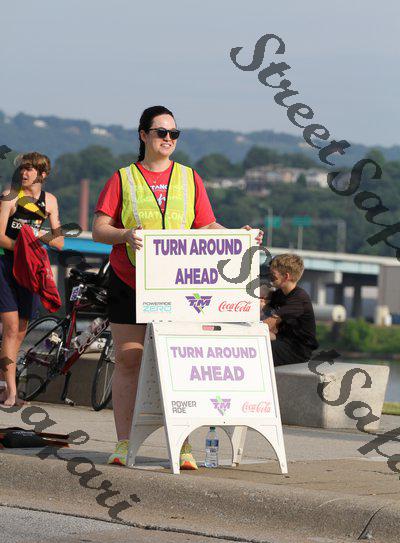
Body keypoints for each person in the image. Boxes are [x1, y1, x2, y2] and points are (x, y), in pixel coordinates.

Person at [92, 105, 263, 468]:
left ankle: (183, 444)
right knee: (129, 359)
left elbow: (206, 225)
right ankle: (124, 443)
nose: (168, 139)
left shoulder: (189, 177)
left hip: (177, 287)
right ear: (144, 136)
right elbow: (99, 229)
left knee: (179, 364)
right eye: (161, 132)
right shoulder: (123, 178)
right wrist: (125, 234)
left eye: (174, 134)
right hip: (130, 279)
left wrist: (239, 237)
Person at [0, 152, 64, 406]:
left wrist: (36, 235)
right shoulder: (10, 196)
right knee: (11, 327)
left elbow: (59, 241)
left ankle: (4, 386)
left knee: (20, 331)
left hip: (28, 271)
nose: (24, 173)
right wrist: (24, 245)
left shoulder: (50, 201)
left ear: (42, 174)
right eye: (22, 169)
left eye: (29, 169)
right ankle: (12, 392)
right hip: (5, 265)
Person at [261, 254, 318, 366]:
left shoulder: (299, 298)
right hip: (281, 340)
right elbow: (261, 303)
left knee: (257, 350)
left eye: (273, 275)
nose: (270, 278)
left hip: (297, 350)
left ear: (286, 276)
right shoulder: (279, 293)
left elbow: (269, 323)